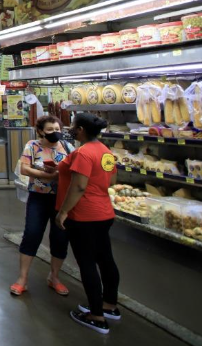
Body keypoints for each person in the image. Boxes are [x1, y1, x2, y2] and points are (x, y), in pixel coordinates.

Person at [55, 113, 120, 335]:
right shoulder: (106, 151)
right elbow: (112, 180)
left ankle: (96, 315)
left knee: (87, 263)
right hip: (104, 213)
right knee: (106, 259)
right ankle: (109, 305)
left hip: (84, 215)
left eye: (73, 126)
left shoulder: (83, 153)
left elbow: (79, 186)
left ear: (81, 129)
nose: (71, 129)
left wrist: (63, 211)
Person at [10, 115, 74, 297]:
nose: (55, 133)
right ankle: (22, 279)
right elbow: (24, 169)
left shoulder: (68, 148)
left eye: (57, 129)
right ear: (40, 131)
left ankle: (54, 277)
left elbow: (74, 171)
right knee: (32, 234)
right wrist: (48, 175)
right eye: (50, 130)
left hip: (61, 200)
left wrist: (59, 172)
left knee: (60, 238)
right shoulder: (32, 146)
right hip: (38, 197)